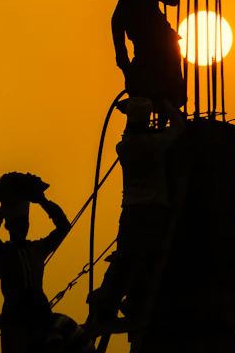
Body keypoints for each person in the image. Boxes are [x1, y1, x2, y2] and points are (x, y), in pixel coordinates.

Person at [87, 96, 185, 329]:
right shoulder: (156, 143)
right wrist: (166, 106)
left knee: (124, 256)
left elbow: (129, 135)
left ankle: (108, 300)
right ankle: (134, 301)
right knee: (146, 257)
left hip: (130, 211)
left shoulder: (123, 147)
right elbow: (180, 127)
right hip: (154, 211)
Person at [0, 194, 71, 353]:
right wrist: (2, 211)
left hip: (40, 316)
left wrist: (43, 201)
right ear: (8, 226)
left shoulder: (36, 249)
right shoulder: (3, 253)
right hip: (16, 320)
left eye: (25, 222)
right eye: (18, 223)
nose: (23, 227)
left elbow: (64, 227)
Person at [108, 0, 185, 109]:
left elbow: (173, 1)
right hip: (147, 55)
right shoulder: (119, 15)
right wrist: (129, 75)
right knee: (144, 93)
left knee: (168, 90)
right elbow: (121, 53)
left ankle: (167, 117)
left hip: (166, 49)